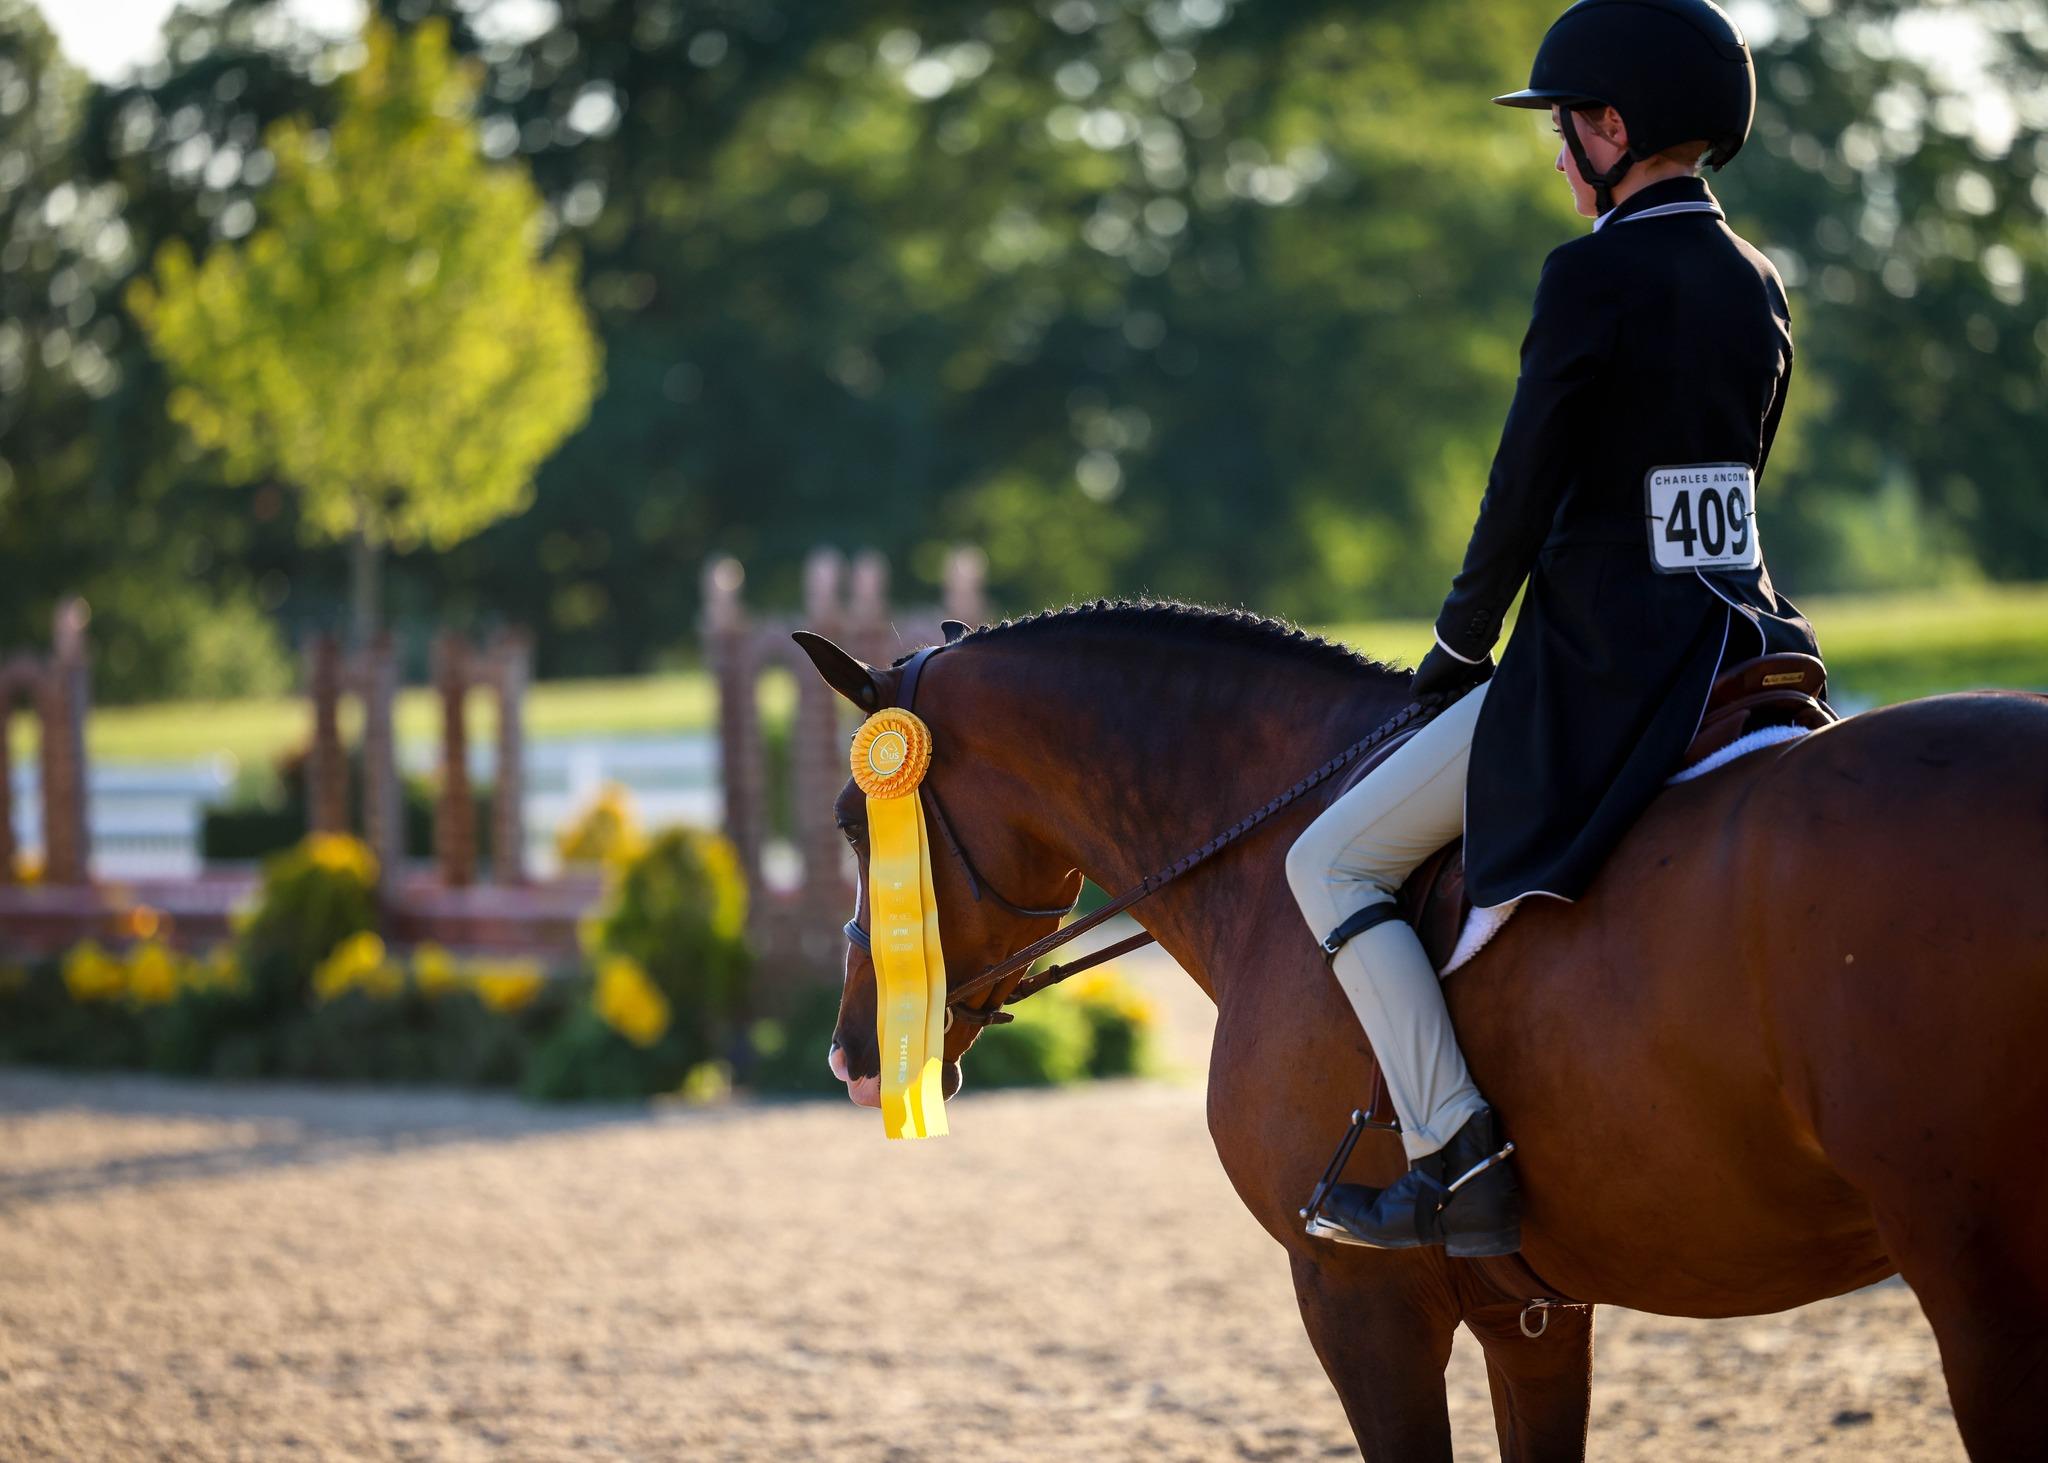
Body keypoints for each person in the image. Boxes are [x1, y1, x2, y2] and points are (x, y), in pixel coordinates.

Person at [1284, 0, 1823, 1257]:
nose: (1556, 153)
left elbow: (1522, 485)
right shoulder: (1755, 278)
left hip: (1604, 667)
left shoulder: (1589, 273)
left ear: (1610, 129)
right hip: (1746, 643)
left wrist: (1458, 643)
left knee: (1330, 863)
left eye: (1562, 127)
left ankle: (1453, 1148)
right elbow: (1727, 482)